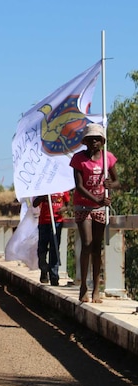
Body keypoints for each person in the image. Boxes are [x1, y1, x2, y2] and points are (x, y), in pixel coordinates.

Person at [69, 123, 119, 304]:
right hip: (83, 206)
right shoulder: (78, 159)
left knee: (97, 247)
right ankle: (83, 287)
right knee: (87, 243)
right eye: (91, 139)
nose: (94, 142)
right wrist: (96, 200)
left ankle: (97, 289)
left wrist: (109, 186)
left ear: (102, 141)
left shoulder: (108, 158)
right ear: (86, 142)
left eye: (97, 139)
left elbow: (117, 182)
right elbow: (80, 187)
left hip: (100, 208)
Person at [32, 191, 70, 286]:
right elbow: (34, 203)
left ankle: (54, 276)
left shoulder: (63, 189)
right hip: (44, 222)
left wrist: (62, 210)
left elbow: (67, 205)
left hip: (57, 221)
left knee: (54, 248)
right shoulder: (44, 188)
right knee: (42, 248)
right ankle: (44, 269)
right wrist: (42, 196)